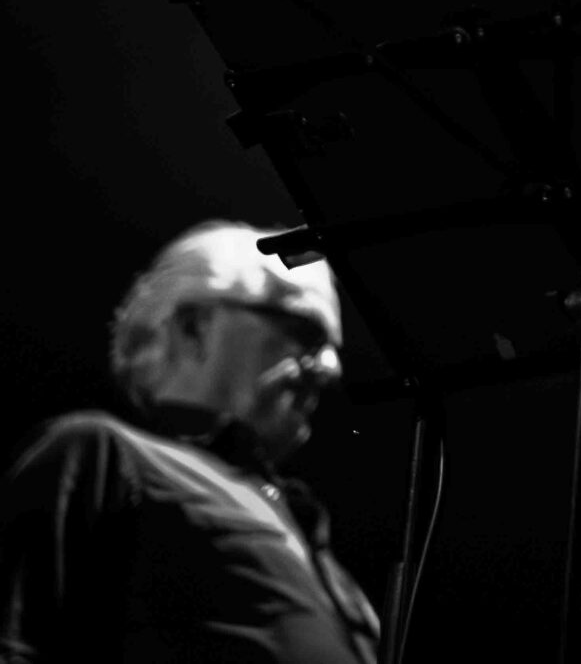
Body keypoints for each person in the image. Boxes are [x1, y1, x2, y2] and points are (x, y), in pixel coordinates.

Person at [1, 221, 381, 663]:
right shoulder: (103, 455)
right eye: (303, 332)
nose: (331, 368)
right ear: (193, 328)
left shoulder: (303, 525)